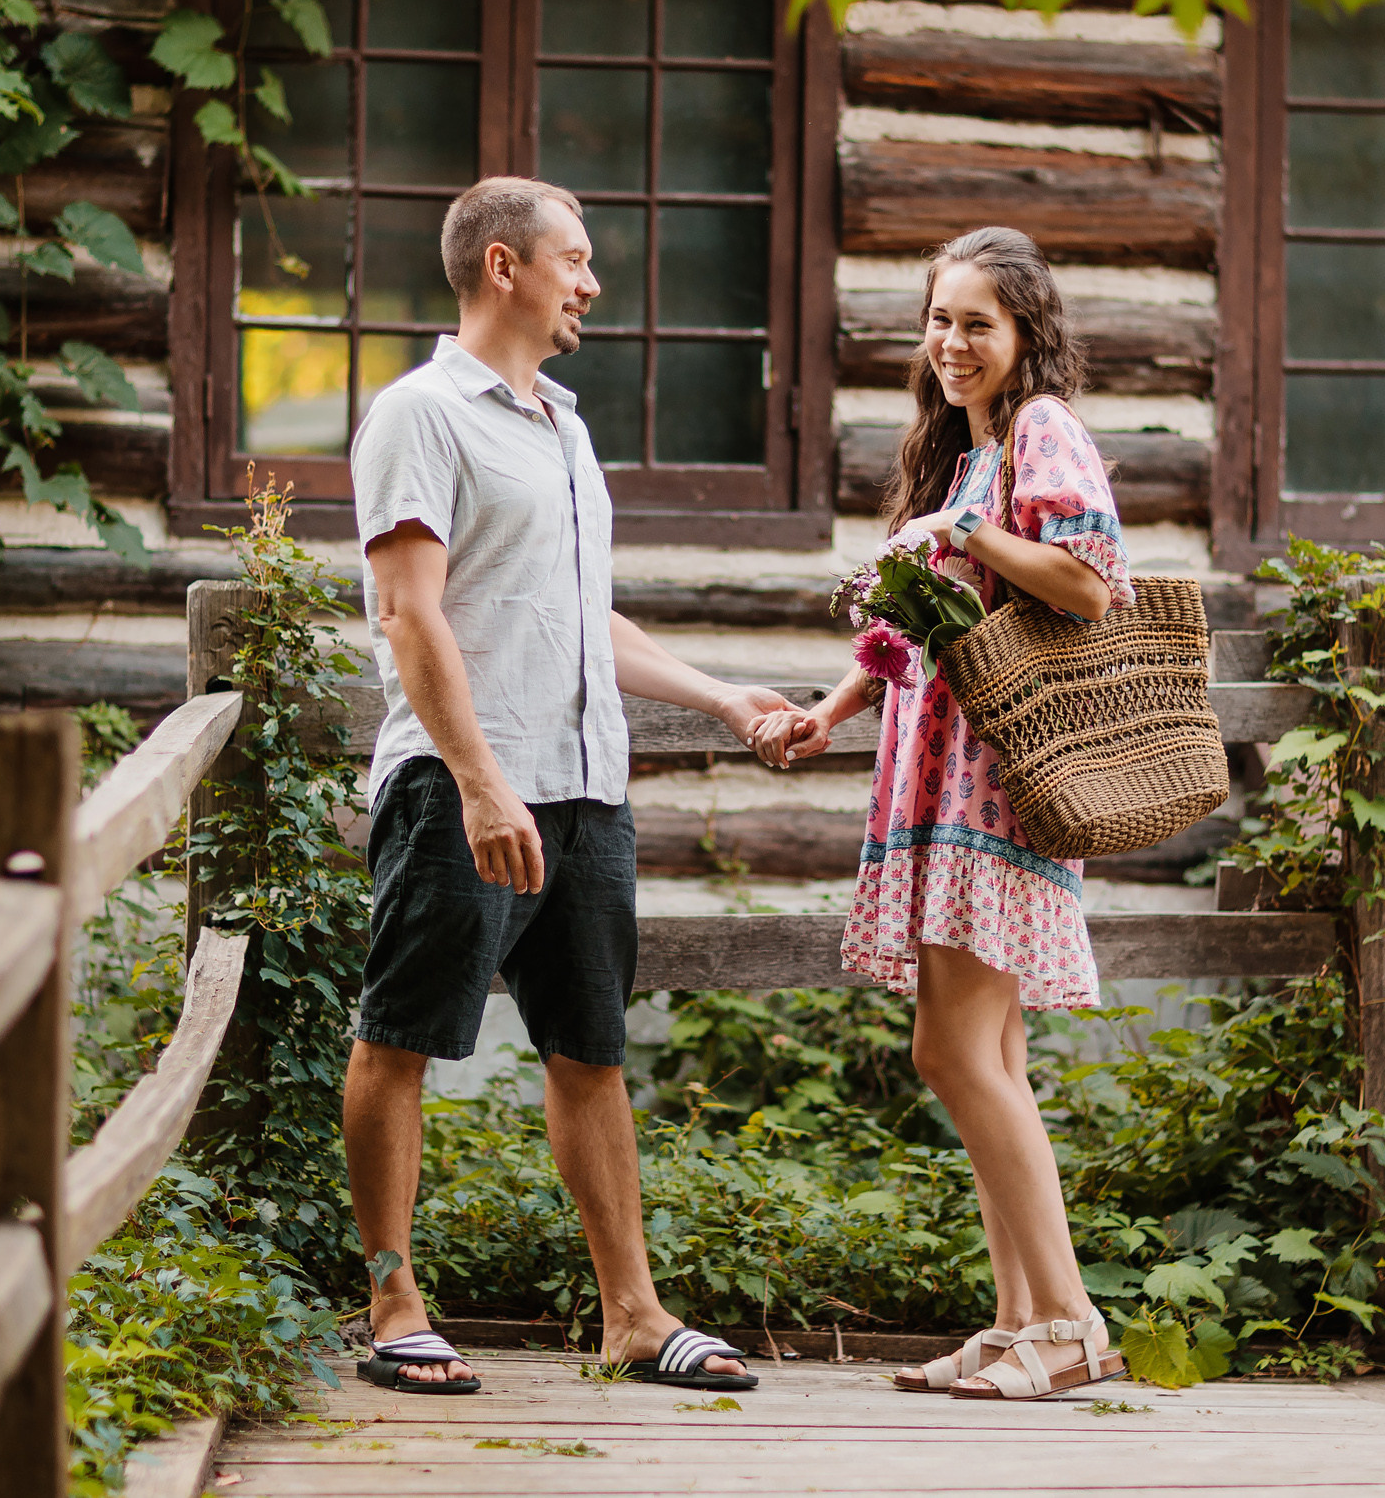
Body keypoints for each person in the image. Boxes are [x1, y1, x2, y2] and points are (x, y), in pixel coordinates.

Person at [345, 176, 794, 1396]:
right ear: (504, 266)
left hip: (588, 791)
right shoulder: (420, 415)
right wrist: (480, 783)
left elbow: (583, 616)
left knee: (588, 1051)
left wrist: (721, 697)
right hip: (463, 789)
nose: (591, 283)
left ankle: (633, 1318)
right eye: (575, 259)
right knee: (400, 1038)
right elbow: (409, 613)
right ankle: (392, 1304)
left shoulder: (562, 425)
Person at [754, 226, 1131, 1402]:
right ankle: (1018, 1321)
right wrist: (829, 708)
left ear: (1025, 333)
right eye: (939, 320)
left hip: (996, 788)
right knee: (990, 1055)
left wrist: (964, 532)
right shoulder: (967, 456)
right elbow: (915, 626)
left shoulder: (1040, 430)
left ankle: (1069, 1322)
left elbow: (1089, 586)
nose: (952, 342)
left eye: (977, 323)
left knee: (949, 1050)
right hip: (940, 780)